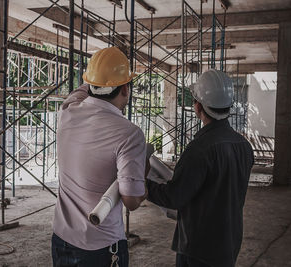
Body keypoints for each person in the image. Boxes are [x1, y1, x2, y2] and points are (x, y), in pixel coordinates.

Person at [146, 69, 254, 267]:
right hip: (229, 242)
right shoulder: (244, 146)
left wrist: (144, 186)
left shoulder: (199, 149)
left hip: (199, 246)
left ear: (197, 106)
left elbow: (174, 197)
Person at [52, 47, 147, 267]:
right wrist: (144, 184)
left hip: (61, 239)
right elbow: (131, 200)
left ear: (90, 83)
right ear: (126, 88)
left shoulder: (67, 111)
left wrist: (98, 76)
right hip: (101, 247)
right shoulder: (129, 134)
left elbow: (83, 91)